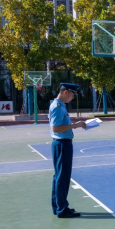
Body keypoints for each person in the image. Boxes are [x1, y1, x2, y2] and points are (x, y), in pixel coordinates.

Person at [49, 83, 86, 218]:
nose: (73, 98)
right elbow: (56, 128)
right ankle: (62, 209)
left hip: (61, 144)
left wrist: (75, 123)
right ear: (66, 92)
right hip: (62, 144)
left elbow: (62, 124)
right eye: (72, 95)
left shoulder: (60, 105)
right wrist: (75, 125)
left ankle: (58, 206)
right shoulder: (58, 107)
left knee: (59, 177)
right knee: (62, 177)